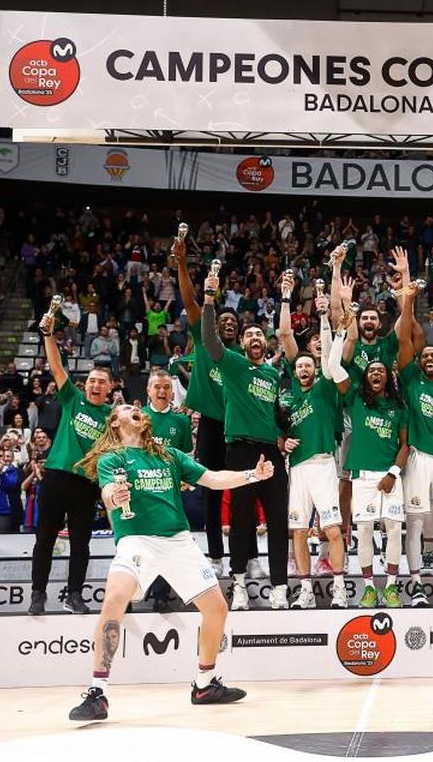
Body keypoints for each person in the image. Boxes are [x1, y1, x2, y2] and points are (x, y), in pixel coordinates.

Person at [67, 403, 268, 721]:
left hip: (178, 541)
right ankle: (97, 693)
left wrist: (251, 475)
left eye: (136, 408)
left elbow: (212, 479)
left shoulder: (168, 454)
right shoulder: (113, 458)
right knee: (114, 600)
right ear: (115, 423)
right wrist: (112, 498)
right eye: (125, 408)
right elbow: (107, 491)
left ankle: (204, 686)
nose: (134, 408)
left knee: (217, 608)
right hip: (137, 540)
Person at [201, 267, 289, 610]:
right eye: (249, 334)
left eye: (259, 335)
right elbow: (209, 340)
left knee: (278, 520)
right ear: (242, 343)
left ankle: (280, 586)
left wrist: (285, 434)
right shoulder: (233, 365)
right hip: (238, 452)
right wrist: (210, 299)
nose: (254, 338)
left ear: (265, 344)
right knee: (240, 521)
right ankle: (238, 585)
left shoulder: (271, 373)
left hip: (270, 453)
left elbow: (274, 413)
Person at [29, 309, 113, 616]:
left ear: (109, 388)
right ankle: (37, 594)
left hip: (86, 485)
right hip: (56, 477)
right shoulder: (72, 398)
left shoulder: (113, 419)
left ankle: (74, 595)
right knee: (45, 540)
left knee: (81, 545)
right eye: (91, 380)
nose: (94, 385)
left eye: (101, 382)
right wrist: (48, 335)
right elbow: (55, 365)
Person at [277, 277, 348, 609]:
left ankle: (339, 586)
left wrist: (323, 316)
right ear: (295, 371)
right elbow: (285, 336)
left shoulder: (325, 387)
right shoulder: (290, 397)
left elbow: (329, 351)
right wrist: (286, 297)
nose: (304, 368)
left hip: (321, 464)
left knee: (332, 530)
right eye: (300, 365)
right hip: (297, 469)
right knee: (298, 533)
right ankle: (304, 589)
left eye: (309, 365)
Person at [174, 232, 237, 579]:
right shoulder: (202, 339)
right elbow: (188, 300)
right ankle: (215, 557)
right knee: (212, 493)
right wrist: (182, 262)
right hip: (212, 426)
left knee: (243, 492)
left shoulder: (241, 358)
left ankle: (245, 557)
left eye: (233, 323)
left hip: (238, 428)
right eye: (223, 320)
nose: (227, 324)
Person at [334, 350, 410, 609]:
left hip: (390, 475)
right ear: (365, 377)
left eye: (381, 370)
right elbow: (334, 369)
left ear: (388, 377)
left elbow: (405, 446)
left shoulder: (399, 407)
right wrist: (339, 334)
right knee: (364, 531)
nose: (376, 373)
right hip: (362, 476)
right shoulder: (355, 398)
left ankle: (390, 587)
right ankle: (368, 589)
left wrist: (393, 473)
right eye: (371, 371)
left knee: (393, 529)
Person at [395, 250, 433, 607]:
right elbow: (406, 336)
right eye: (424, 355)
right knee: (414, 520)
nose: (428, 358)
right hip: (416, 457)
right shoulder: (411, 376)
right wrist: (407, 295)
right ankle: (414, 582)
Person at [142, 368, 196, 611]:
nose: (162, 391)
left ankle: (161, 594)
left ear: (172, 392)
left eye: (166, 388)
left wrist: (186, 480)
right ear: (148, 391)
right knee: (140, 543)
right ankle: (135, 591)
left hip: (170, 495)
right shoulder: (137, 418)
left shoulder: (181, 421)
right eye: (157, 387)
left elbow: (187, 456)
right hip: (142, 491)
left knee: (165, 543)